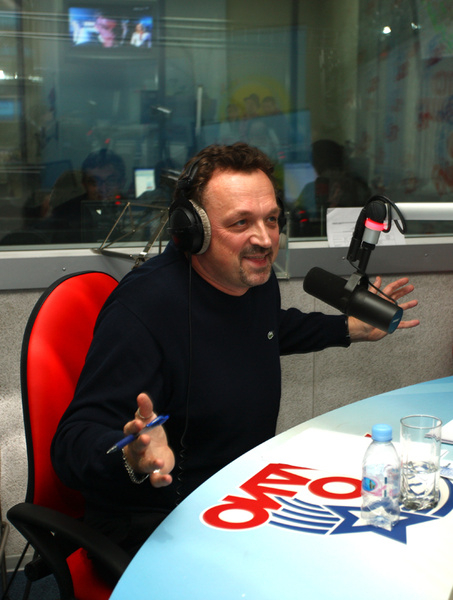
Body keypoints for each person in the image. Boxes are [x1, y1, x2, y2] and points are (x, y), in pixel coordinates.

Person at [51, 142, 418, 569]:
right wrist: (132, 453)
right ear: (193, 229)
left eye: (271, 219)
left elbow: (267, 327)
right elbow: (72, 441)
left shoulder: (251, 281)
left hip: (238, 502)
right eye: (241, 222)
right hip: (156, 529)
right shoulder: (143, 310)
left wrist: (348, 328)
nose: (264, 239)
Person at [47, 148, 126, 243]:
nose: (103, 188)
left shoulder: (133, 208)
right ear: (84, 184)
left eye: (111, 181)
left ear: (122, 183)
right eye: (94, 181)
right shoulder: (65, 216)